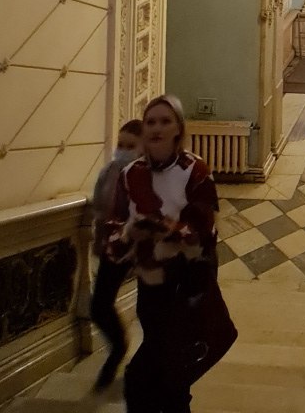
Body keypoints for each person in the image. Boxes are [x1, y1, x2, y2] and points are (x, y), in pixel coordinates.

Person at [107, 94, 224, 413]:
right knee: (162, 364)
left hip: (185, 283)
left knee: (162, 374)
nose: (156, 128)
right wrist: (126, 234)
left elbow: (202, 229)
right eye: (150, 122)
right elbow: (114, 224)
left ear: (178, 129)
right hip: (150, 281)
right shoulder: (131, 174)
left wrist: (162, 228)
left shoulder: (194, 170)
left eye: (165, 121)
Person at [90, 117, 143, 389]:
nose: (122, 150)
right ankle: (118, 347)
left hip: (142, 251)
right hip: (114, 249)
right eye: (120, 144)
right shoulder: (109, 172)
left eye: (130, 145)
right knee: (99, 306)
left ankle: (143, 368)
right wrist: (100, 242)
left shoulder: (148, 176)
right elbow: (100, 209)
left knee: (151, 313)